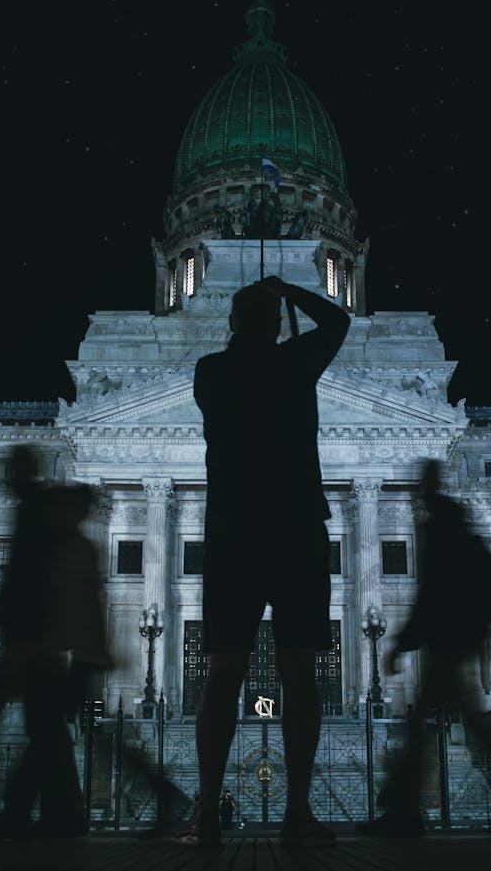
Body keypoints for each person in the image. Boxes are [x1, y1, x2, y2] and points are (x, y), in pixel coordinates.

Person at [180, 276, 349, 847]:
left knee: (223, 669)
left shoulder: (211, 372)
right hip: (297, 527)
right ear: (276, 324)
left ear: (231, 323)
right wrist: (293, 290)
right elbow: (339, 324)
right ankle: (298, 812)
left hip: (232, 531)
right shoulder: (295, 364)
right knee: (300, 671)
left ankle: (206, 809)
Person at [362, 458, 491, 837]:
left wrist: (403, 642)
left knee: (429, 723)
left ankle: (403, 812)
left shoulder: (441, 520)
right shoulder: (446, 517)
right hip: (451, 637)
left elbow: (435, 590)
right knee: (445, 722)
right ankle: (405, 811)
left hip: (447, 638)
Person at [0, 475, 111, 841]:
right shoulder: (66, 547)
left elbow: (81, 606)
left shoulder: (71, 548)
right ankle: (62, 814)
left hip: (57, 656)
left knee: (47, 735)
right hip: (52, 654)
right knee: (52, 736)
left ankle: (23, 812)